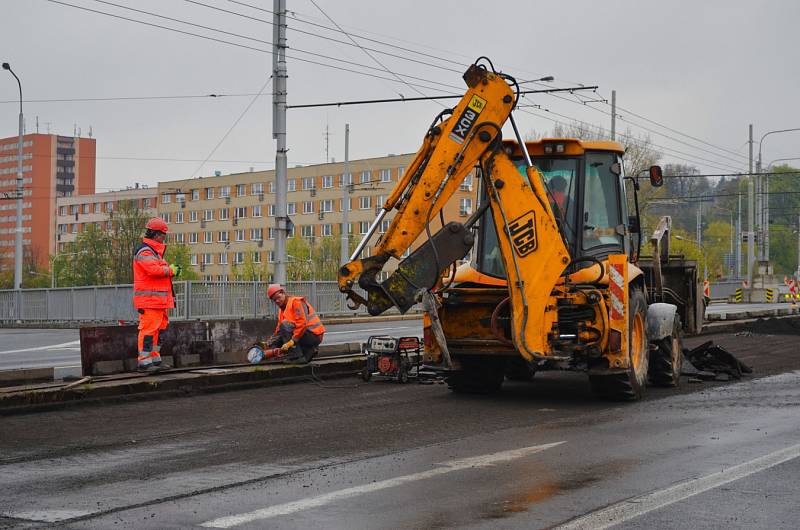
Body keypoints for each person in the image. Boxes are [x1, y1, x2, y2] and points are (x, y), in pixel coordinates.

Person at [133, 217, 181, 372]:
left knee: (157, 330)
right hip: (149, 301)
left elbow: (159, 271)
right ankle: (144, 362)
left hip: (158, 301)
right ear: (155, 234)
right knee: (148, 330)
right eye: (162, 235)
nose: (163, 238)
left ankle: (154, 359)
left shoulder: (155, 253)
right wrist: (171, 270)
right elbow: (154, 270)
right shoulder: (145, 251)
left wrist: (170, 271)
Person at [265, 284, 325, 363]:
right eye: (274, 300)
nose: (277, 301)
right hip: (305, 335)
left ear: (283, 293)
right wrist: (269, 343)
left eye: (278, 298)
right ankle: (306, 352)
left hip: (314, 335)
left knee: (285, 325)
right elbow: (279, 330)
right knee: (280, 337)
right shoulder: (282, 310)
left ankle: (296, 357)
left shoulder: (296, 302)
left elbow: (302, 324)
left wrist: (293, 341)